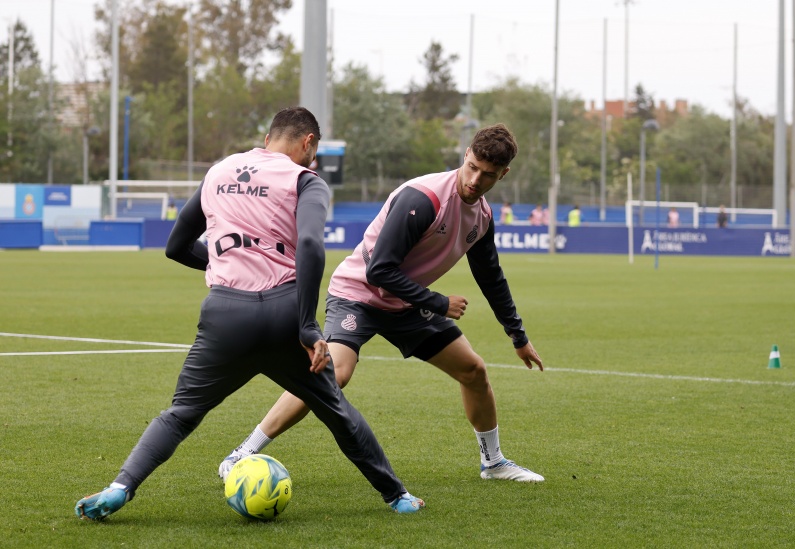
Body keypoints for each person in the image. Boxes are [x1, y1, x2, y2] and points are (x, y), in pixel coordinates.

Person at [74, 107, 424, 520]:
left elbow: (175, 246)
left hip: (225, 316)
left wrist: (226, 264)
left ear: (268, 138)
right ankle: (398, 498)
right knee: (336, 410)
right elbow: (310, 246)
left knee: (180, 415)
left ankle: (120, 488)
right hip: (283, 314)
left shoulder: (219, 171)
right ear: (309, 143)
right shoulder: (306, 180)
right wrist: (307, 326)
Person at [220, 123, 545, 485]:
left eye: (488, 175)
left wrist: (518, 336)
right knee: (334, 374)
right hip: (358, 294)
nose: (475, 180)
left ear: (503, 174)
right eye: (472, 168)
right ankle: (243, 452)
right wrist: (438, 302)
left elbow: (491, 278)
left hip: (406, 302)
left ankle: (493, 463)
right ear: (466, 154)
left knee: (473, 371)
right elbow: (378, 271)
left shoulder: (481, 217)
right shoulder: (423, 199)